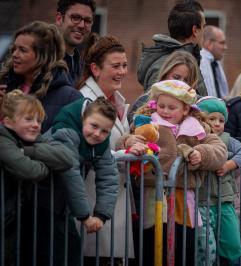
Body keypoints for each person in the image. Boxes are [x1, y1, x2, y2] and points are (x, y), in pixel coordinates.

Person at [131, 80, 228, 265]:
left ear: (185, 109)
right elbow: (125, 140)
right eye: (161, 106)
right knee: (153, 250)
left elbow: (220, 150)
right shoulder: (148, 125)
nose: (165, 111)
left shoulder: (199, 129)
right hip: (154, 198)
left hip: (185, 202)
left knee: (184, 250)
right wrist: (131, 143)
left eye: (172, 107)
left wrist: (201, 153)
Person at [77, 35, 140, 260]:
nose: (122, 71)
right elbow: (87, 149)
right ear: (95, 68)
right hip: (93, 198)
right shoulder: (85, 101)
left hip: (115, 200)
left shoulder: (117, 100)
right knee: (96, 256)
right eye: (115, 66)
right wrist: (125, 151)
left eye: (124, 65)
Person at [0, 90, 73, 265]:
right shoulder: (3, 140)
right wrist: (46, 166)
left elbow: (66, 157)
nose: (35, 125)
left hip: (15, 222)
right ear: (8, 122)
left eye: (38, 121)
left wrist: (28, 151)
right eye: (28, 119)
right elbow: (30, 170)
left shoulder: (30, 141)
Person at [47, 97, 119, 265]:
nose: (97, 134)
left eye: (104, 131)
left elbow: (109, 175)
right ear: (82, 119)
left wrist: (101, 215)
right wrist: (85, 216)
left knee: (71, 254)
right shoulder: (66, 132)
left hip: (61, 206)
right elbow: (70, 173)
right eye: (94, 126)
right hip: (42, 201)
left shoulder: (100, 142)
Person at [197, 96, 241, 265]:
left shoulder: (227, 140)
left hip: (225, 200)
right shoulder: (195, 138)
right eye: (211, 119)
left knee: (232, 243)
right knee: (207, 248)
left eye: (221, 120)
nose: (217, 124)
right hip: (201, 202)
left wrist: (228, 165)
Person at [0, 21, 82, 133]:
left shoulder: (70, 98)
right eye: (14, 49)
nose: (14, 54)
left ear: (44, 55)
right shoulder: (5, 87)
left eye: (22, 50)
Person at [137, 1, 208, 96]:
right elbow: (152, 105)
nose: (204, 32)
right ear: (195, 30)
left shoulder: (187, 58)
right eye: (203, 27)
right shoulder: (166, 64)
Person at [129, 50, 200, 119]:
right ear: (164, 75)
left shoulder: (200, 106)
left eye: (186, 80)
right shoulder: (143, 102)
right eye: (176, 77)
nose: (180, 83)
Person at [55, 0, 96, 85]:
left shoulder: (82, 67)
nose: (81, 25)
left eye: (87, 21)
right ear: (59, 19)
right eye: (75, 18)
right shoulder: (43, 61)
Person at [200, 26, 229, 98]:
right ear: (209, 43)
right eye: (222, 43)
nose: (225, 47)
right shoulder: (200, 62)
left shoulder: (215, 63)